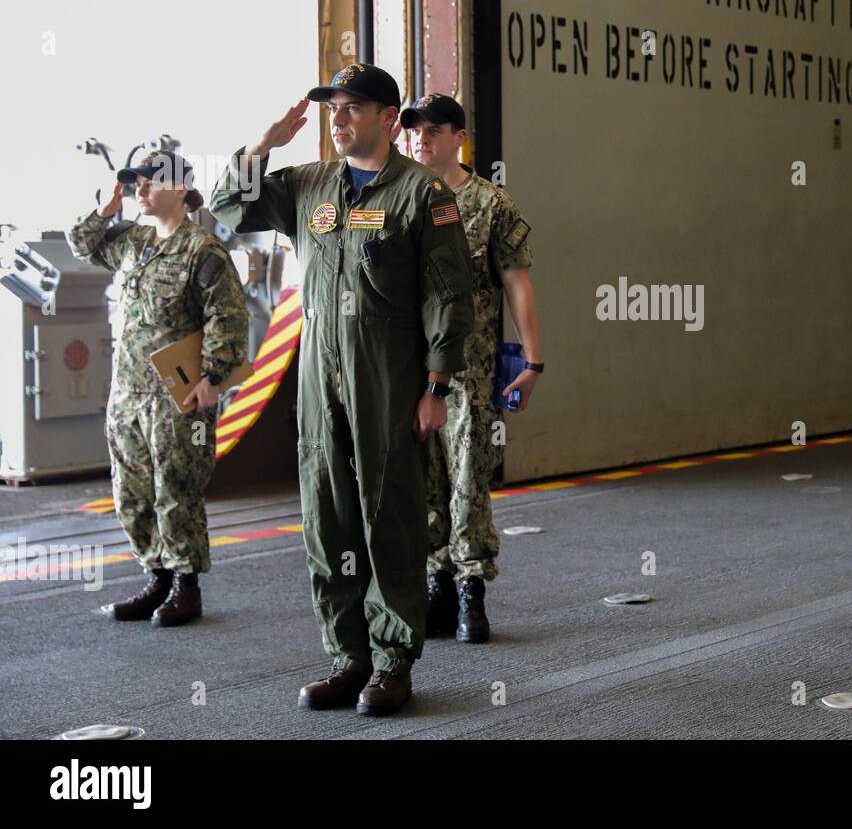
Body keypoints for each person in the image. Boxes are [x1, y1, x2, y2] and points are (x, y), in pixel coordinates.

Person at [208, 64, 475, 717]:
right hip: (318, 379)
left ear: (388, 119)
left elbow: (448, 292)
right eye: (334, 107)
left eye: (354, 107)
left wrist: (436, 383)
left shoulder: (419, 195)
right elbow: (226, 209)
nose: (339, 117)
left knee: (389, 515)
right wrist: (264, 144)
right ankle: (348, 658)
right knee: (329, 519)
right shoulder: (308, 186)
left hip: (388, 379)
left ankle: (391, 662)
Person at [67, 151, 249, 627]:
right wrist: (106, 209)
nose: (139, 191)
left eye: (147, 183)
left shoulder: (203, 250)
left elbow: (226, 316)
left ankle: (186, 586)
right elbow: (81, 245)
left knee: (177, 487)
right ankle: (156, 577)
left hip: (178, 395)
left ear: (177, 188)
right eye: (135, 184)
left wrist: (214, 377)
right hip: (128, 392)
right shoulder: (132, 242)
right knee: (131, 489)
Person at [400, 93, 542, 642]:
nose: (422, 139)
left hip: (470, 370)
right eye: (415, 130)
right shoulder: (400, 199)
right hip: (408, 368)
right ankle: (435, 587)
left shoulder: (491, 204)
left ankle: (470, 594)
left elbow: (517, 284)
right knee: (422, 482)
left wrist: (533, 361)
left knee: (467, 482)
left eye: (434, 130)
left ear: (459, 136)